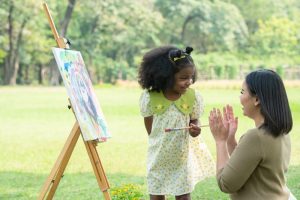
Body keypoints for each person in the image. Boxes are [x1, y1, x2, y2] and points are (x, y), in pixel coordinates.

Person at [138, 45, 215, 200]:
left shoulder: (192, 97)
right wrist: (157, 139)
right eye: (183, 78)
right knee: (157, 194)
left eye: (191, 77)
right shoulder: (150, 97)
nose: (189, 82)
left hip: (182, 159)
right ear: (165, 76)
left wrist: (196, 128)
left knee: (183, 196)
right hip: (158, 158)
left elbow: (194, 119)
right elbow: (150, 128)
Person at [208, 69, 295, 200]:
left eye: (242, 92)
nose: (240, 97)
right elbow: (246, 163)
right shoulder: (281, 131)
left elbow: (225, 183)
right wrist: (230, 140)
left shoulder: (256, 137)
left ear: (257, 99)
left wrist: (220, 141)